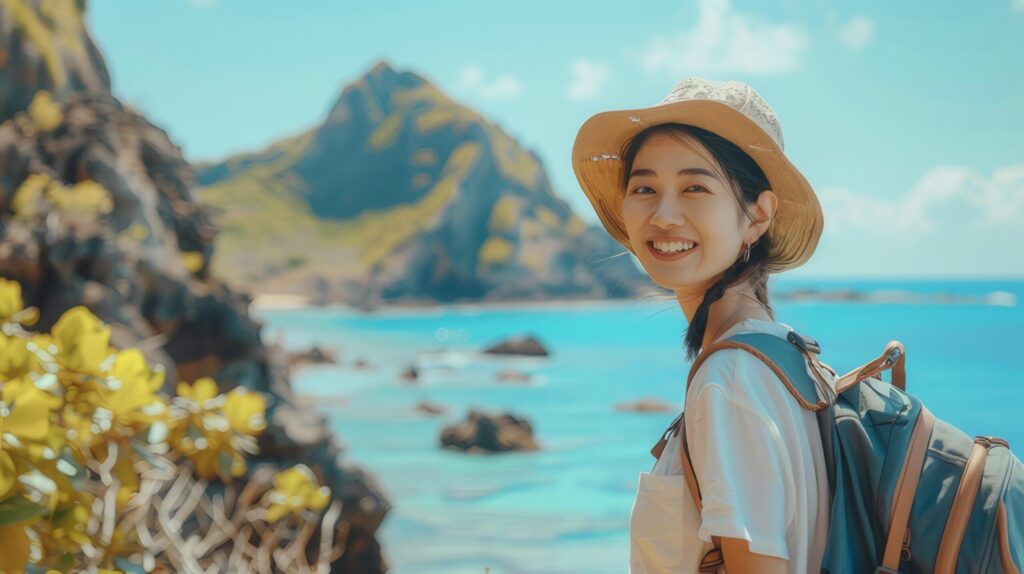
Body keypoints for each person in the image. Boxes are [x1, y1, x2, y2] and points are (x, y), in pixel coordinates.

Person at [571, 78, 831, 573]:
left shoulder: (730, 380)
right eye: (644, 187)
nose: (664, 215)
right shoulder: (788, 356)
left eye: (696, 187)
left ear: (758, 215)